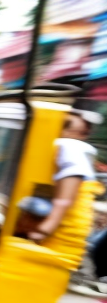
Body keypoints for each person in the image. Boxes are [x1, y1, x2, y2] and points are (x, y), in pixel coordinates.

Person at [22, 109, 102, 264]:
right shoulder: (71, 148)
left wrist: (44, 229)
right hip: (67, 229)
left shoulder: (69, 146)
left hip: (62, 231)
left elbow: (65, 198)